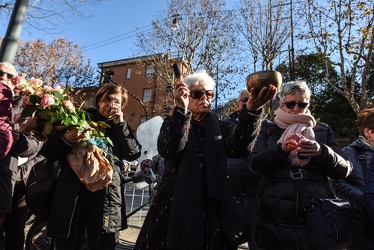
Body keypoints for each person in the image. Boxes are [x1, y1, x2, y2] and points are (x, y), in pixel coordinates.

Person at [134, 71, 277, 249]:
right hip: (173, 204)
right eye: (197, 94)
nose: (205, 98)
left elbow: (239, 149)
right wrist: (180, 110)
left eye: (209, 94)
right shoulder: (173, 121)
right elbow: (170, 149)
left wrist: (252, 111)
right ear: (186, 96)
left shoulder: (220, 125)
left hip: (211, 205)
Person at [248, 80, 352, 250]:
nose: (296, 109)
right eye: (290, 104)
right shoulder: (267, 128)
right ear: (281, 104)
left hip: (314, 216)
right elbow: (254, 165)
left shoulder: (323, 130)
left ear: (308, 104)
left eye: (302, 104)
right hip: (273, 216)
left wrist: (321, 152)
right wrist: (280, 150)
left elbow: (344, 170)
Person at [39, 83, 142, 249]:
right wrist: (68, 138)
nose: (111, 104)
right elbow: (49, 152)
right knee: (68, 244)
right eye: (107, 99)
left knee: (104, 244)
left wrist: (121, 125)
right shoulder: (78, 120)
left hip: (107, 196)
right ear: (99, 101)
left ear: (122, 107)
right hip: (73, 194)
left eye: (117, 102)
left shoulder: (121, 127)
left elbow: (133, 153)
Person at [0, 62, 42, 250]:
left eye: (10, 76)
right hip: (3, 175)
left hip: (22, 179)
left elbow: (39, 144)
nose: (4, 78)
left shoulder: (31, 107)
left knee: (15, 230)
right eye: (0, 73)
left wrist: (18, 141)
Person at [224, 87, 262, 249]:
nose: (249, 103)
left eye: (253, 99)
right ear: (238, 103)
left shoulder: (266, 125)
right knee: (228, 240)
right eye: (245, 100)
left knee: (258, 241)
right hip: (231, 194)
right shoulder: (225, 124)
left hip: (257, 195)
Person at [331, 108, 374, 249]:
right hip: (361, 228)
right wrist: (367, 201)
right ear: (368, 132)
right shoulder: (349, 152)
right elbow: (337, 184)